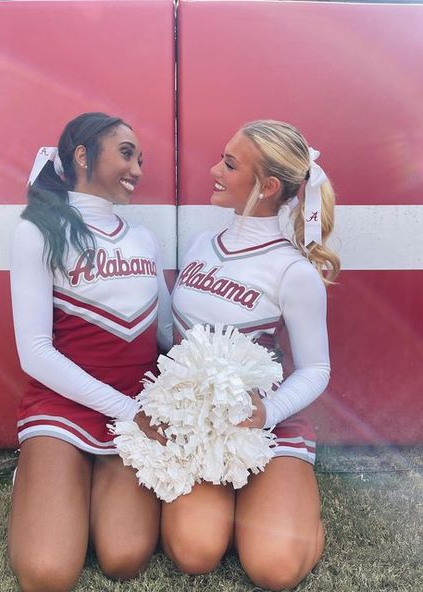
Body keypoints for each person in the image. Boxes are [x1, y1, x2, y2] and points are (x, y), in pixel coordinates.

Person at [165, 120, 340, 591]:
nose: (213, 171)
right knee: (194, 552)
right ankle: (242, 505)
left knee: (274, 568)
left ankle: (293, 509)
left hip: (265, 424)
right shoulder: (201, 246)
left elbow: (316, 368)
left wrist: (269, 413)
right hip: (201, 428)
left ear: (267, 187)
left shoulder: (293, 271)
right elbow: (173, 337)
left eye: (228, 164)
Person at [8, 112, 172, 592]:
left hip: (133, 411)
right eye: (126, 154)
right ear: (82, 156)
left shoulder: (145, 239)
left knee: (124, 557)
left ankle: (80, 482)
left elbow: (165, 331)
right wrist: (128, 411)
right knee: (46, 573)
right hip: (63, 407)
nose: (138, 170)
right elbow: (34, 353)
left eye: (141, 159)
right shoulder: (38, 230)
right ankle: (42, 472)